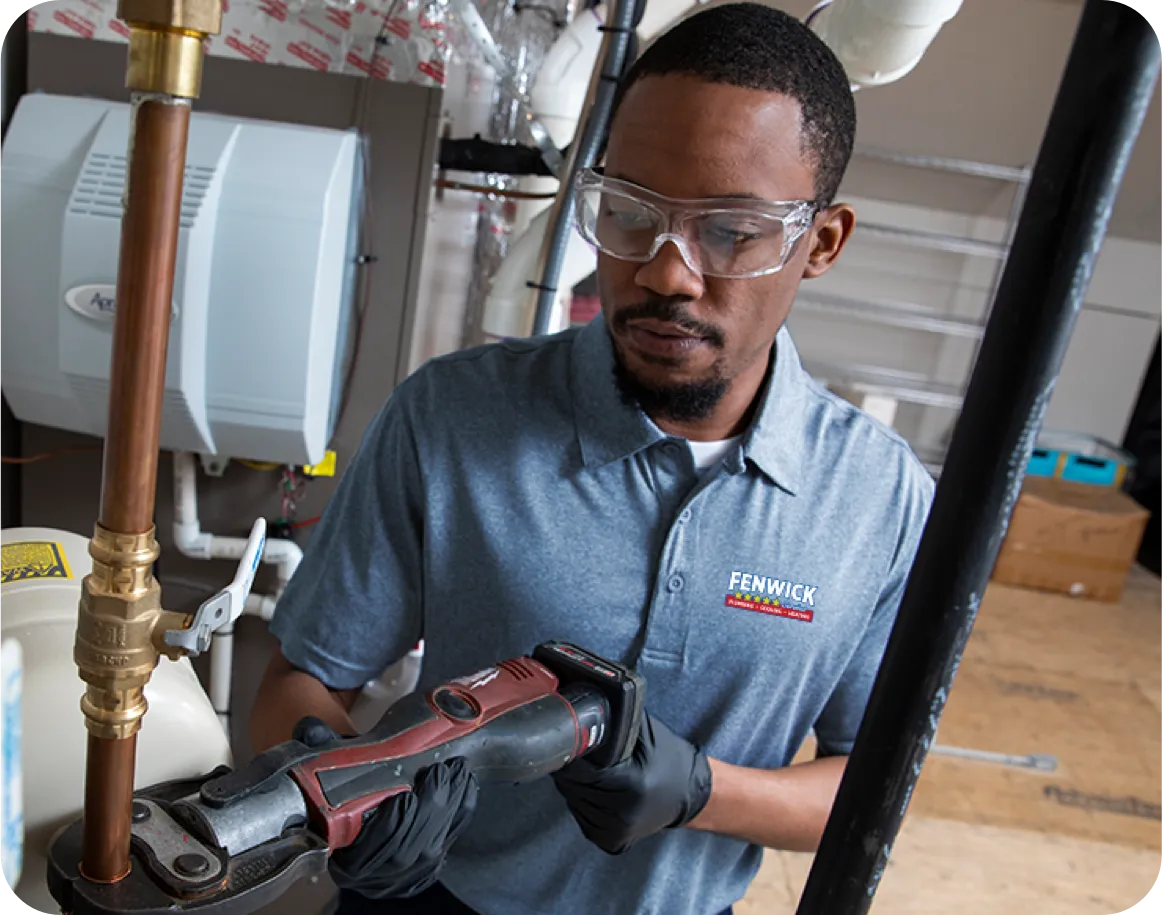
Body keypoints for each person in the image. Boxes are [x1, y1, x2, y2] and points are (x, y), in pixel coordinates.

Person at [251, 4, 935, 914]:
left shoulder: (876, 500)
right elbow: (298, 680)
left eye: (731, 230)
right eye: (629, 212)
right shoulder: (454, 415)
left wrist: (702, 791)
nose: (665, 272)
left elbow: (871, 785)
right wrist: (352, 796)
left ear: (821, 243)